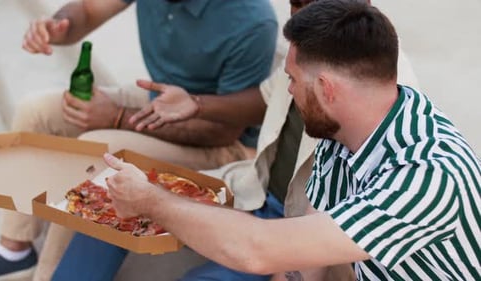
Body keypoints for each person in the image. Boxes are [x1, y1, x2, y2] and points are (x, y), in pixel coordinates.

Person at [57, 1, 481, 280]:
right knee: (104, 209)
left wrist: (152, 200)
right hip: (268, 213)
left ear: (328, 89)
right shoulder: (351, 123)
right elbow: (296, 260)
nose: (287, 91)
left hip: (273, 233)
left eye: (293, 81)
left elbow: (260, 250)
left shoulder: (427, 176)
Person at [0, 0, 278, 280]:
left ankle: (52, 275)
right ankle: (14, 250)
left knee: (97, 151)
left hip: (222, 142)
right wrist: (58, 25)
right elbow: (87, 10)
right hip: (155, 99)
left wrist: (118, 116)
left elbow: (223, 131)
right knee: (36, 112)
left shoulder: (251, 21)